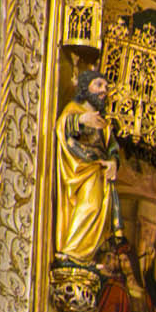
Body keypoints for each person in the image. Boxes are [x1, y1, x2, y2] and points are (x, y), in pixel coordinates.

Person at [53, 72, 120, 267]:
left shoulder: (104, 123)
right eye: (98, 85)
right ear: (85, 87)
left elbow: (112, 148)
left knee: (97, 209)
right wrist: (81, 119)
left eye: (106, 87)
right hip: (79, 167)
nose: (103, 91)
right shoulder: (74, 110)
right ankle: (72, 251)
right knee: (90, 206)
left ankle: (83, 256)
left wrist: (113, 163)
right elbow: (62, 127)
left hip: (98, 169)